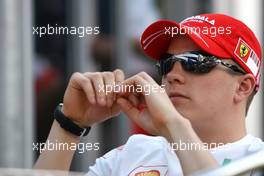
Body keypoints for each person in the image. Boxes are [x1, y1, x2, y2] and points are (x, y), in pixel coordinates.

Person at [34, 13, 264, 175]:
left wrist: (173, 125)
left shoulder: (258, 159)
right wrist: (69, 125)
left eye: (195, 62)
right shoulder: (133, 154)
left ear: (243, 86)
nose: (173, 75)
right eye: (167, 63)